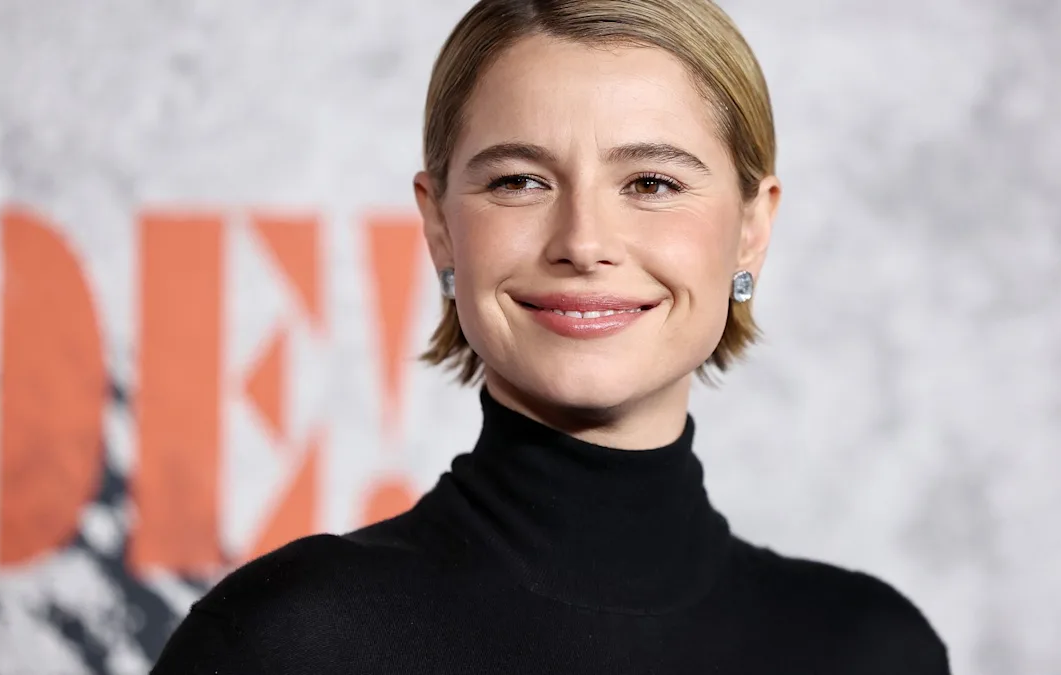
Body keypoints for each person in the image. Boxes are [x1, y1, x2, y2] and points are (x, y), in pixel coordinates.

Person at [152, 0, 951, 672]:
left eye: (651, 183)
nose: (583, 240)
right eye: (520, 181)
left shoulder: (871, 648)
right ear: (438, 226)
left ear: (751, 228)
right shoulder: (286, 641)